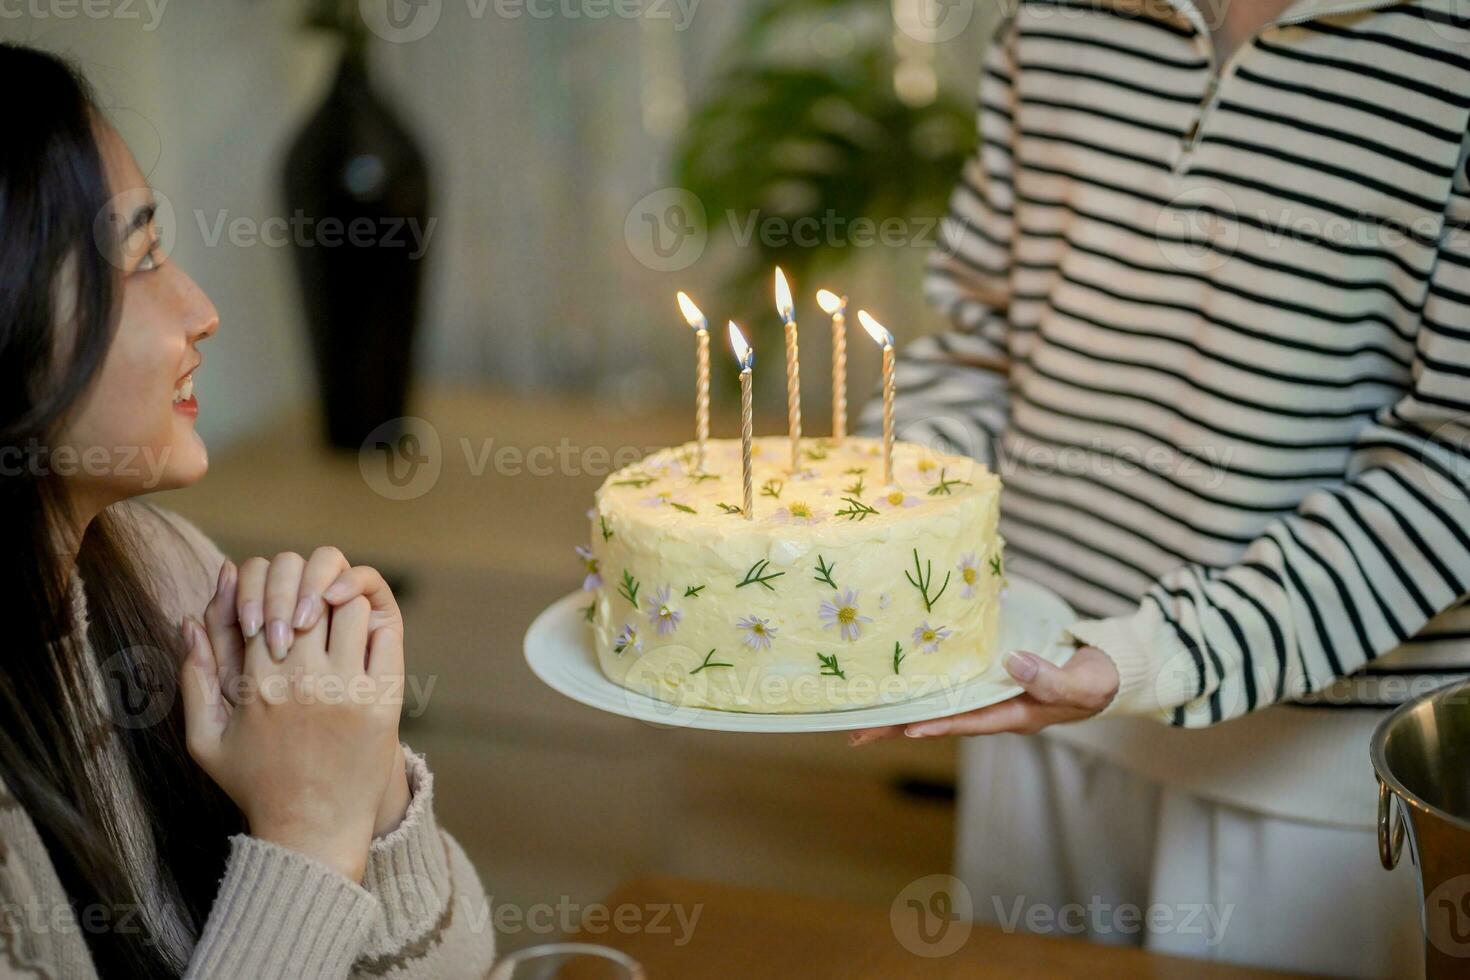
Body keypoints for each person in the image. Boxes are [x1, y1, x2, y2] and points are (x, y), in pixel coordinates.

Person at [852, 1, 1469, 976]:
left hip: (1310, 777)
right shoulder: (1048, 20)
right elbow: (978, 348)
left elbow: (1456, 466)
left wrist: (1158, 651)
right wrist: (864, 534)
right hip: (1031, 699)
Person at [0, 43, 497, 978]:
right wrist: (308, 828)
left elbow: (460, 965)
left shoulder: (162, 567)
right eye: (140, 260)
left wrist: (364, 771)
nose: (201, 309)